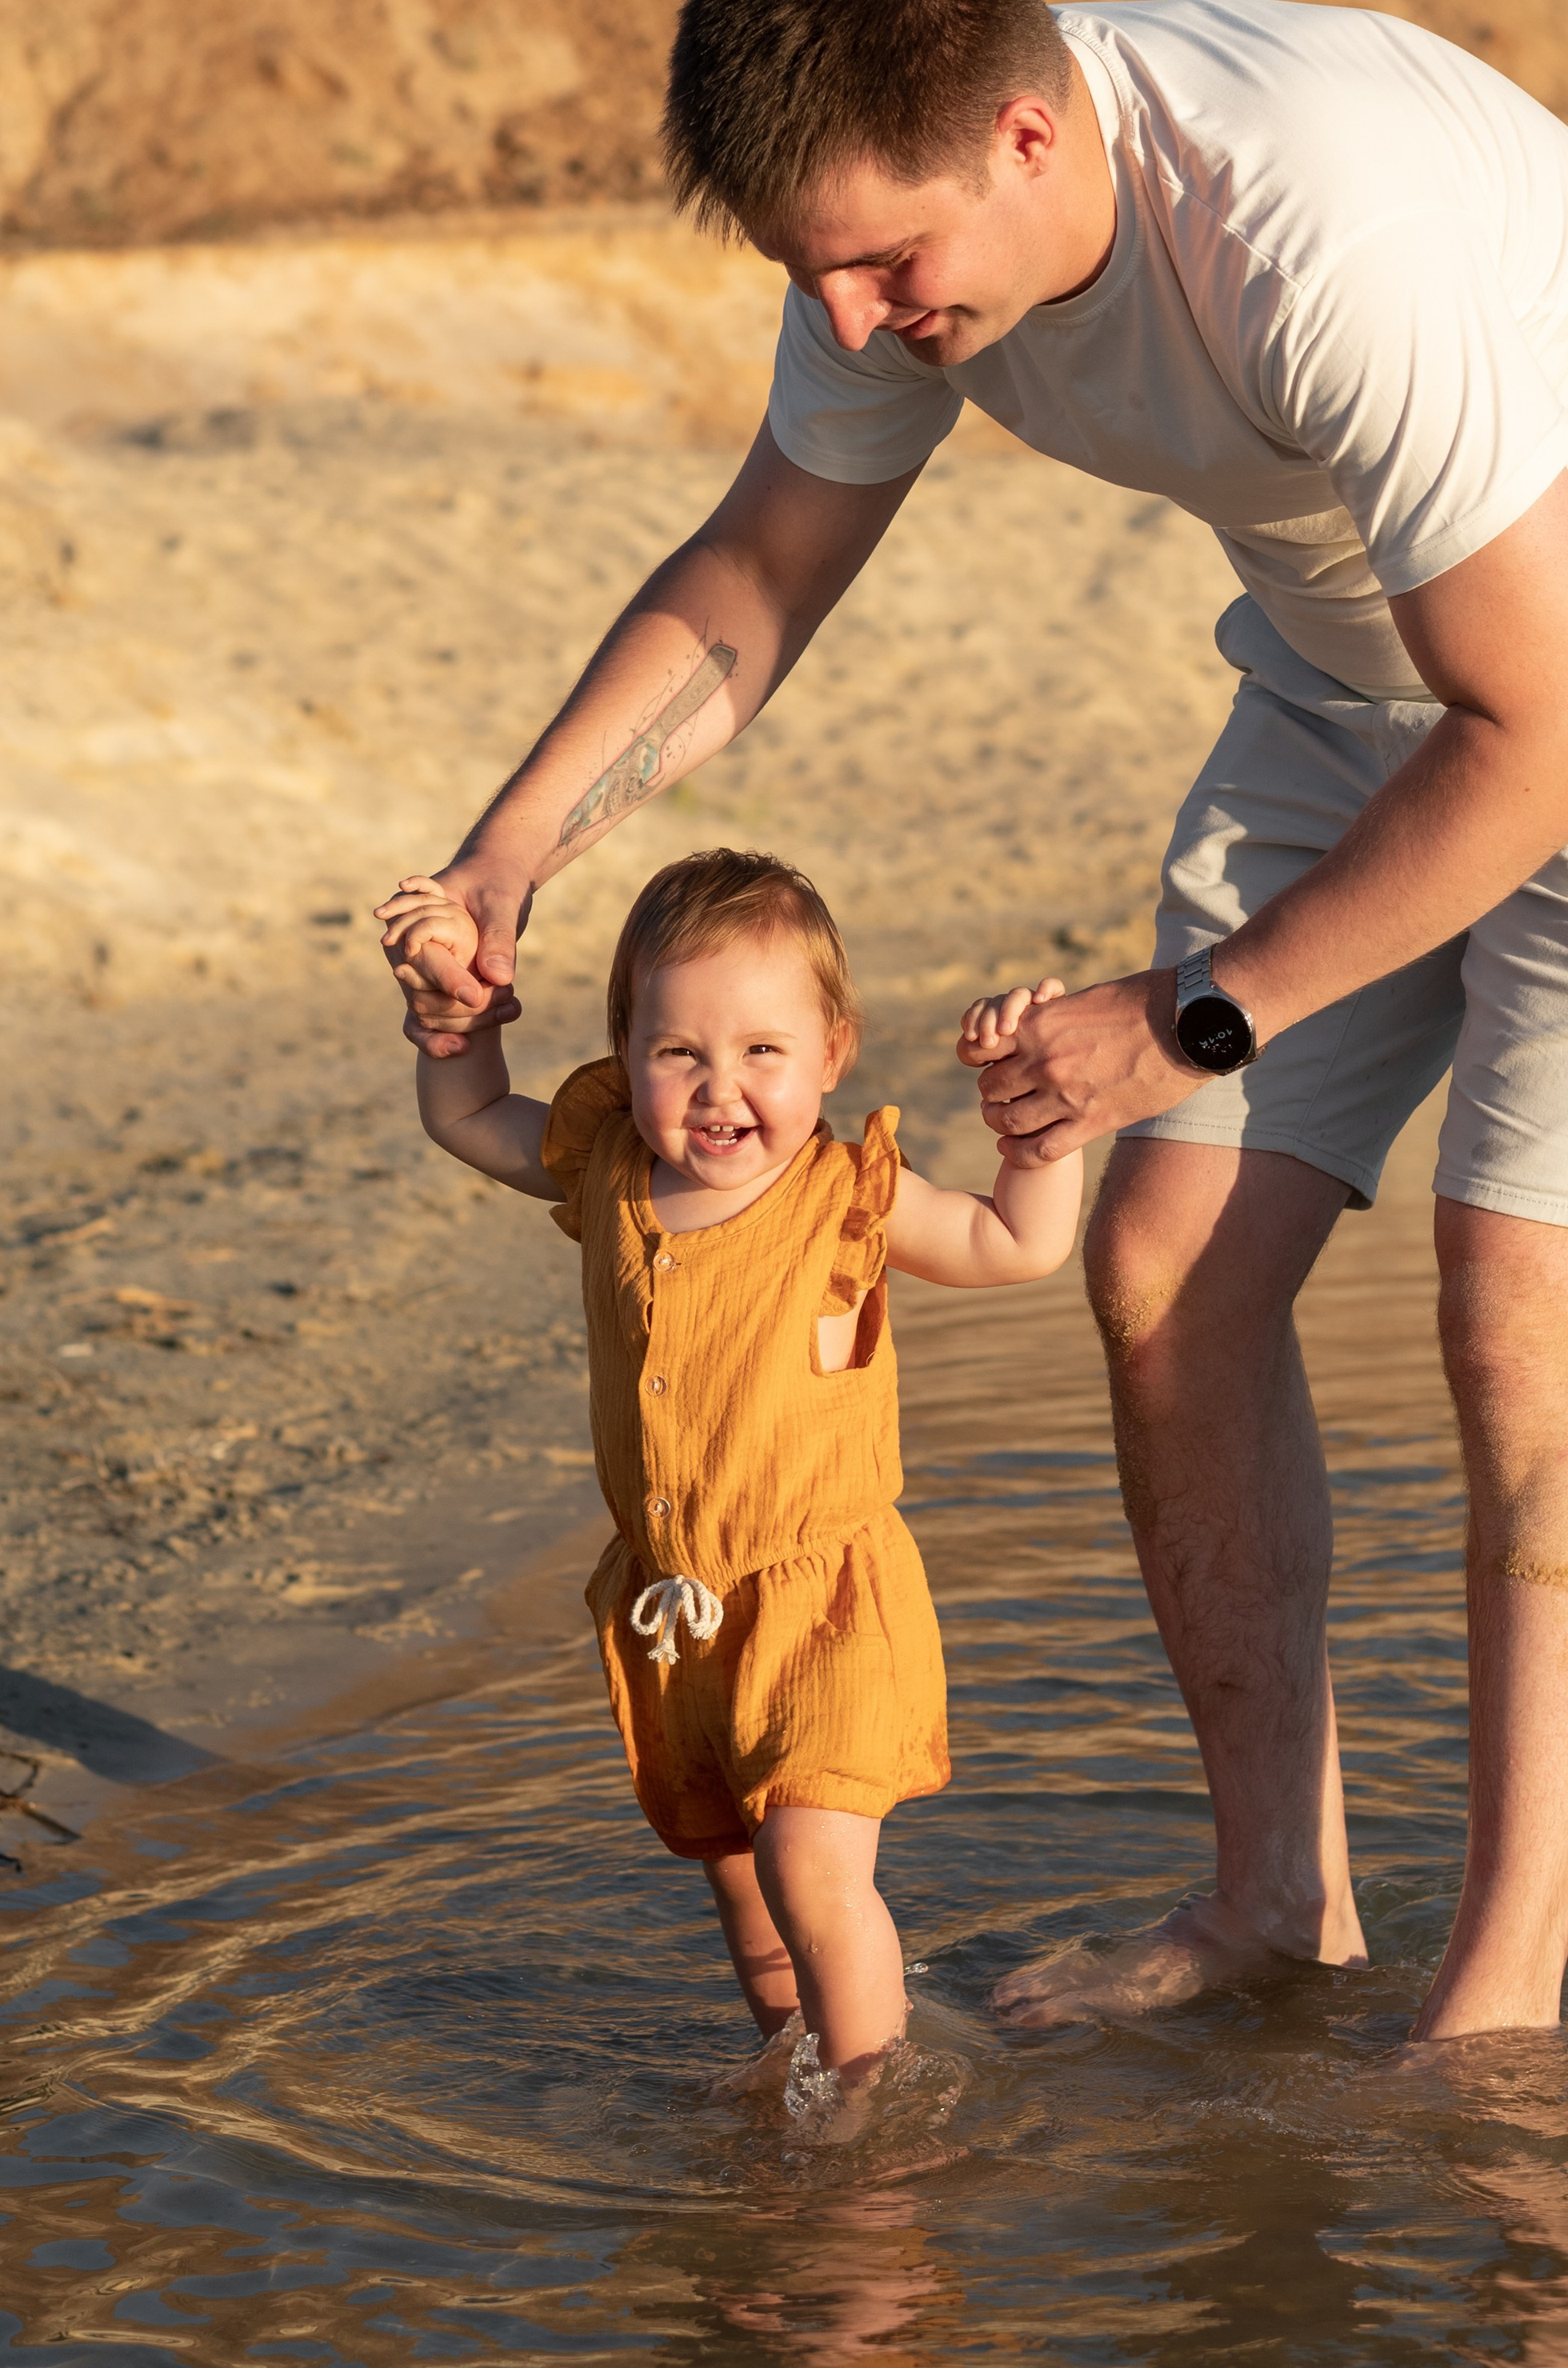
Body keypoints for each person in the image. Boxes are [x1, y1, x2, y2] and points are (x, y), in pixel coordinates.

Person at [378, 0, 1568, 2042]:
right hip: (1357, 672)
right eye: (821, 274)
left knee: (1523, 1304)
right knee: (1160, 1268)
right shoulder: (905, 239)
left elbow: (1564, 735)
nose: (862, 319)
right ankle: (1276, 1907)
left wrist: (1183, 1019)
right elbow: (761, 568)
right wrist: (509, 851)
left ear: (1034, 139)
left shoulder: (1310, 221)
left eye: (892, 261)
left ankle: (1497, 2013)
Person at [387, 842, 1082, 2096]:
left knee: (816, 1871)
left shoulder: (843, 1192)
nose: (721, 1089)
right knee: (750, 1890)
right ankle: (791, 2065)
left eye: (763, 1050)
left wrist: (1039, 1120)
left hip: (826, 1601)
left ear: (833, 1051)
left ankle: (870, 2117)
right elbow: (465, 1115)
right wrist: (453, 1017)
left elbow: (1014, 1242)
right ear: (627, 1048)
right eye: (679, 1053)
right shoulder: (609, 1168)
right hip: (678, 1618)